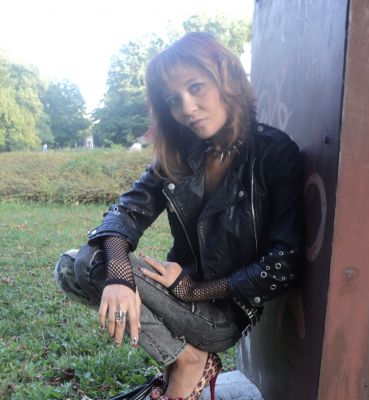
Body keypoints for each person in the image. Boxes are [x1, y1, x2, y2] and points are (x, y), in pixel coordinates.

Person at [55, 32, 303, 400]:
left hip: (224, 312)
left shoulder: (273, 153)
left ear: (226, 77)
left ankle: (189, 363)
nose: (187, 108)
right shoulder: (180, 155)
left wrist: (197, 289)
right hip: (178, 296)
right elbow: (125, 211)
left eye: (196, 87)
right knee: (73, 266)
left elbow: (283, 263)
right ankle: (185, 359)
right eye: (173, 99)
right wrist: (119, 275)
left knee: (89, 262)